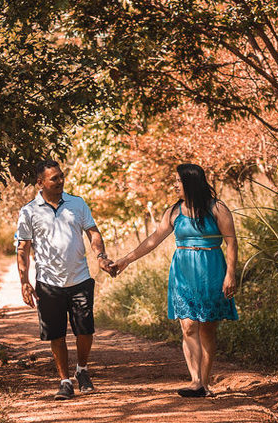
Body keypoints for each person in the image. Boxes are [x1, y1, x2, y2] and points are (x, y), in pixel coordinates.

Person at [110, 163, 238, 397]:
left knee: (207, 329)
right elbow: (153, 240)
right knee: (188, 326)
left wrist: (231, 273)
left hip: (212, 270)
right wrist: (126, 260)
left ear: (190, 182)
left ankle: (205, 383)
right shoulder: (174, 212)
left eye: (178, 181)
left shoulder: (217, 208)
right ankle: (196, 381)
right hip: (183, 272)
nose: (175, 185)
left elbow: (231, 242)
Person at [16, 160, 115, 399]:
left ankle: (82, 369)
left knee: (85, 330)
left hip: (80, 278)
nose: (61, 182)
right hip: (49, 285)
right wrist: (24, 281)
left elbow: (93, 232)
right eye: (55, 179)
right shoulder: (29, 211)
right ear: (40, 183)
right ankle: (65, 381)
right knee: (56, 334)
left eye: (61, 177)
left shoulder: (77, 204)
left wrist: (100, 257)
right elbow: (23, 249)